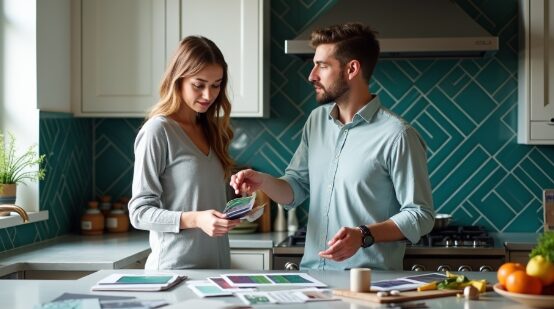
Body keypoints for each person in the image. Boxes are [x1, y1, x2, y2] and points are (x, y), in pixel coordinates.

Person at [230, 23, 435, 271]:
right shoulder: (316, 121)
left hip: (366, 284)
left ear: (352, 69)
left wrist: (363, 235)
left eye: (323, 66)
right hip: (313, 278)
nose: (312, 75)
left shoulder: (397, 135)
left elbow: (420, 215)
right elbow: (296, 187)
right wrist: (263, 181)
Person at [128, 36, 241, 270]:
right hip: (175, 271)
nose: (208, 95)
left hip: (217, 270)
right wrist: (196, 219)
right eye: (198, 85)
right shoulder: (158, 131)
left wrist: (242, 204)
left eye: (216, 85)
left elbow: (205, 200)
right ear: (177, 80)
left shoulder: (212, 130)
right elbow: (139, 212)